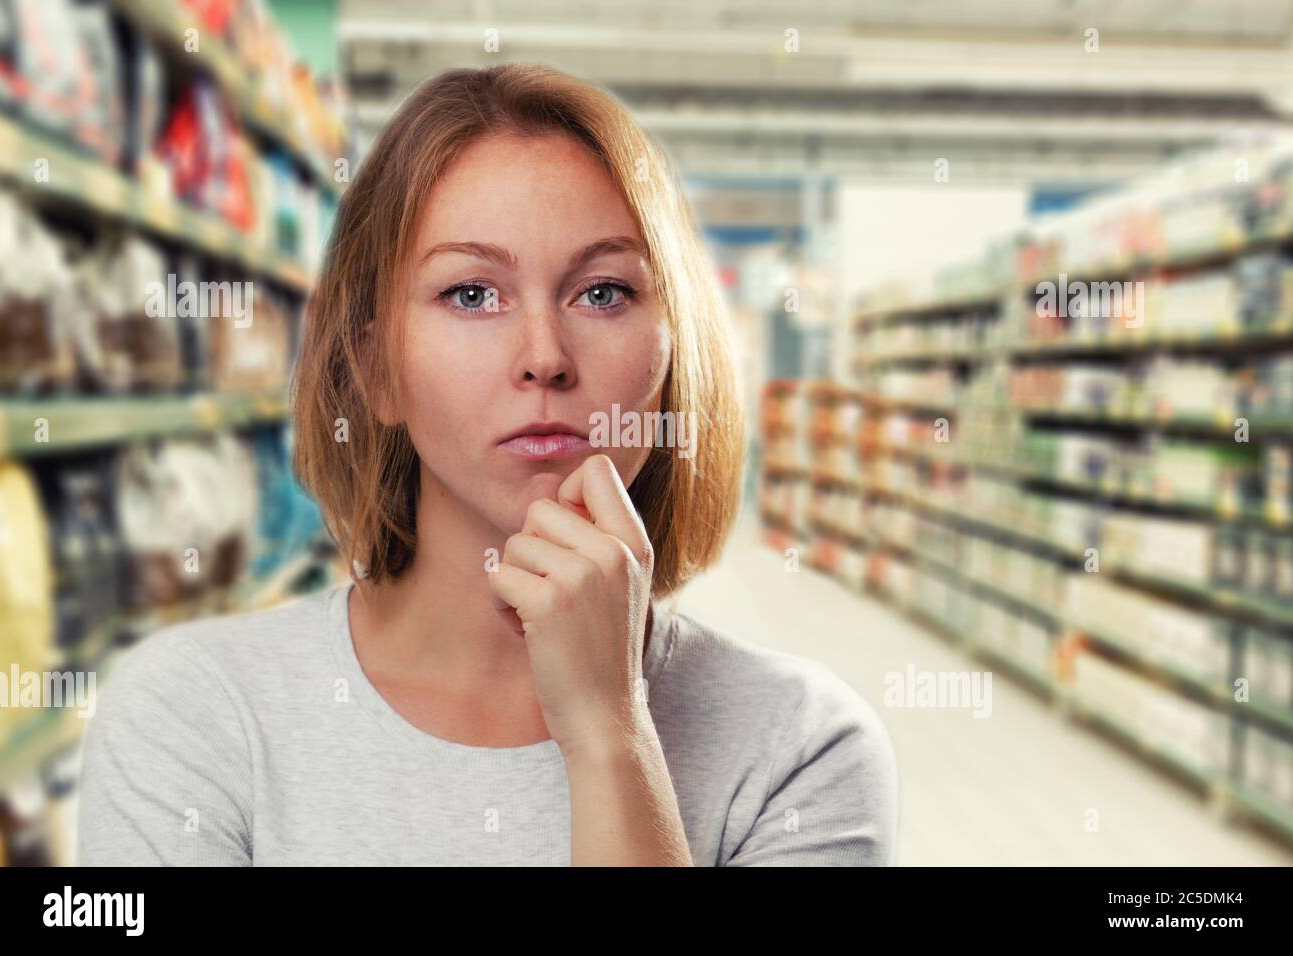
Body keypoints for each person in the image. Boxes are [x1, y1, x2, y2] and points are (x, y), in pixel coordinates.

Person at [76, 63, 897, 866]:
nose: (544, 357)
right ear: (373, 369)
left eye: (603, 292)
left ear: (675, 351)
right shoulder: (191, 720)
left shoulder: (802, 755)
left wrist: (610, 735)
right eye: (471, 294)